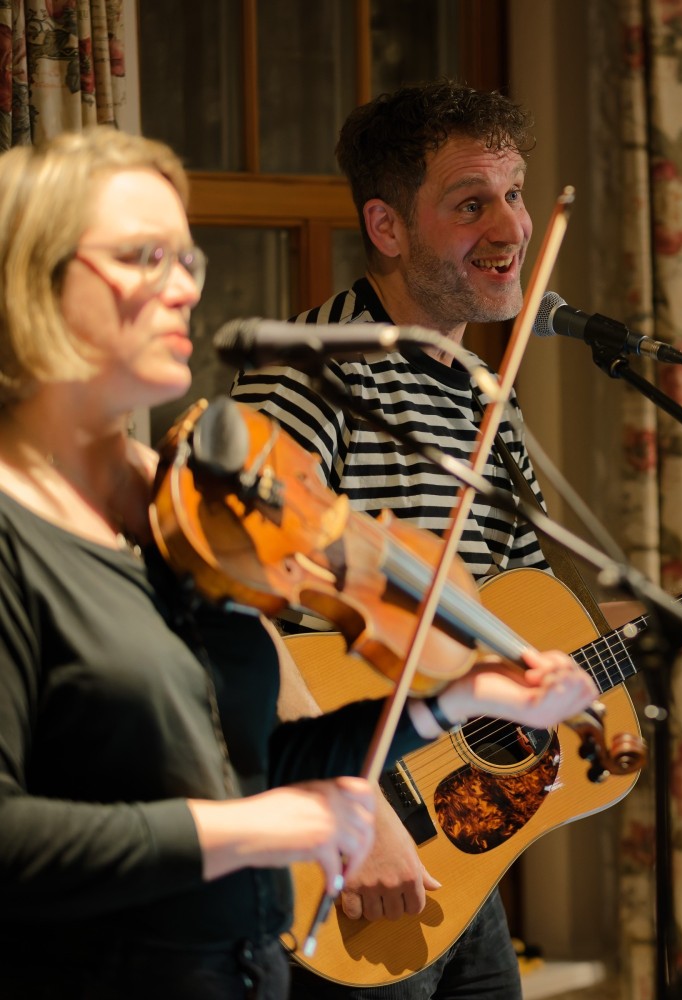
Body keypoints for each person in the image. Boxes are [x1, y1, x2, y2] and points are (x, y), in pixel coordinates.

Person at [231, 81, 682, 999]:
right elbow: (230, 610)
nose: (511, 228)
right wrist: (354, 808)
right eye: (470, 204)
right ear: (387, 226)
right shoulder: (308, 375)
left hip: (459, 860)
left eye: (516, 194)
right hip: (351, 848)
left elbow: (537, 628)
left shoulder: (484, 393)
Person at [0, 128, 601, 1000]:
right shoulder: (16, 535)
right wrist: (256, 829)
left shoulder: (174, 520)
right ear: (31, 281)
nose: (184, 288)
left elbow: (262, 762)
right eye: (143, 257)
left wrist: (454, 702)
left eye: (187, 260)